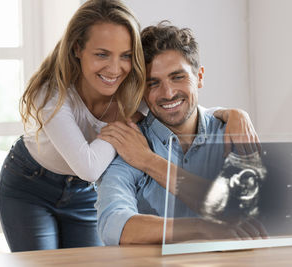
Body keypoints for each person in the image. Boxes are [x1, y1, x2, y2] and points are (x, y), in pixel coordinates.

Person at [0, 0, 258, 252]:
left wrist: (231, 113)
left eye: (125, 56)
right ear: (77, 49)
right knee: (42, 262)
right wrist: (126, 129)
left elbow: (176, 107)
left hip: (85, 190)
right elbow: (89, 168)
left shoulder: (133, 89)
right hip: (31, 183)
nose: (114, 68)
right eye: (102, 54)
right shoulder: (52, 96)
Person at [96, 22, 266, 246]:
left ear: (200, 77)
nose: (168, 93)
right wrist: (201, 227)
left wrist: (149, 161)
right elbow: (113, 225)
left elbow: (250, 213)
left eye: (178, 77)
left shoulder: (233, 133)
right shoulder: (130, 144)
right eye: (153, 83)